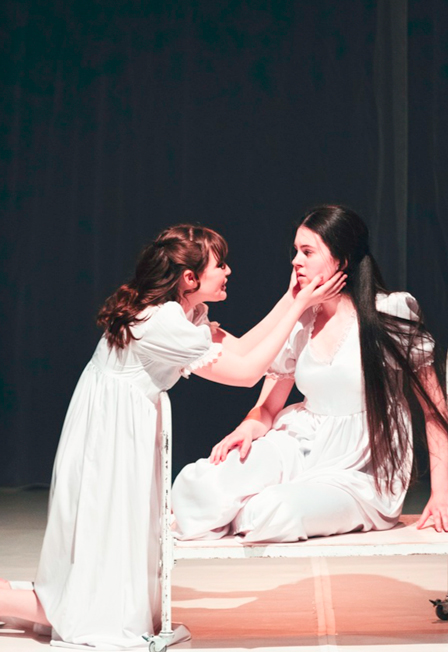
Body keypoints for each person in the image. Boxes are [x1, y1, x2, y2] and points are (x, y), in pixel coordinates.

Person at [0, 224, 345, 649]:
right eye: (220, 265)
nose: (228, 271)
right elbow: (246, 373)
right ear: (189, 278)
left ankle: (18, 599)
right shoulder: (163, 322)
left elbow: (242, 348)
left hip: (121, 422)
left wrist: (293, 299)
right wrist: (301, 306)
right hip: (110, 433)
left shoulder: (181, 312)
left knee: (118, 544)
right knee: (105, 547)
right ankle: (11, 602)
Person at [172, 206, 448, 544]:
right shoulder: (301, 318)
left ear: (341, 259)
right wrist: (247, 428)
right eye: (295, 251)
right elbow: (268, 408)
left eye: (307, 252)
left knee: (276, 511)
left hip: (360, 470)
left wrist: (442, 493)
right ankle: (241, 509)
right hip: (298, 444)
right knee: (201, 486)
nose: (295, 261)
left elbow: (434, 409)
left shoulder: (390, 311)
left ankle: (249, 511)